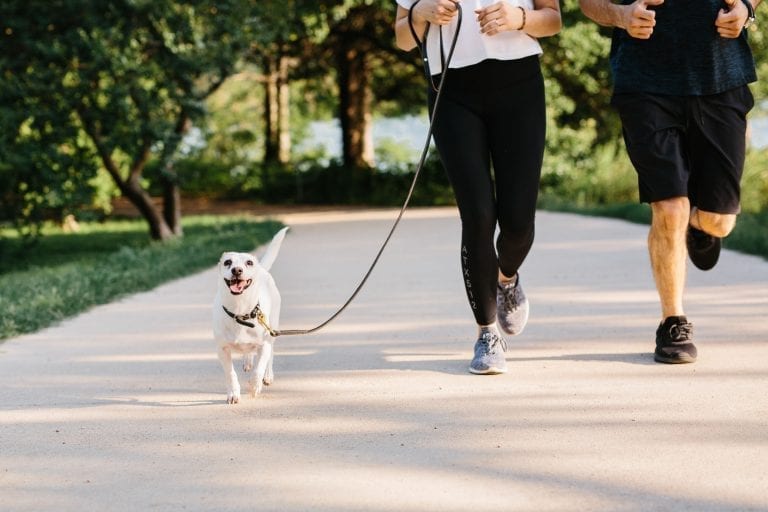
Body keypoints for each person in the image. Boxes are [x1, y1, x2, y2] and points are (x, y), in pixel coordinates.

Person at [578, 0, 760, 363]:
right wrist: (621, 16)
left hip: (720, 79)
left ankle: (700, 223)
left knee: (719, 222)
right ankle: (673, 322)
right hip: (644, 85)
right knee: (670, 208)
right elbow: (588, 3)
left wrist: (745, 7)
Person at [394, 0, 561, 374]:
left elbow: (553, 20)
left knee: (518, 223)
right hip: (451, 91)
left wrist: (519, 18)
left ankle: (507, 278)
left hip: (519, 85)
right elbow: (403, 38)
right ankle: (487, 333)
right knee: (478, 215)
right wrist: (420, 13)